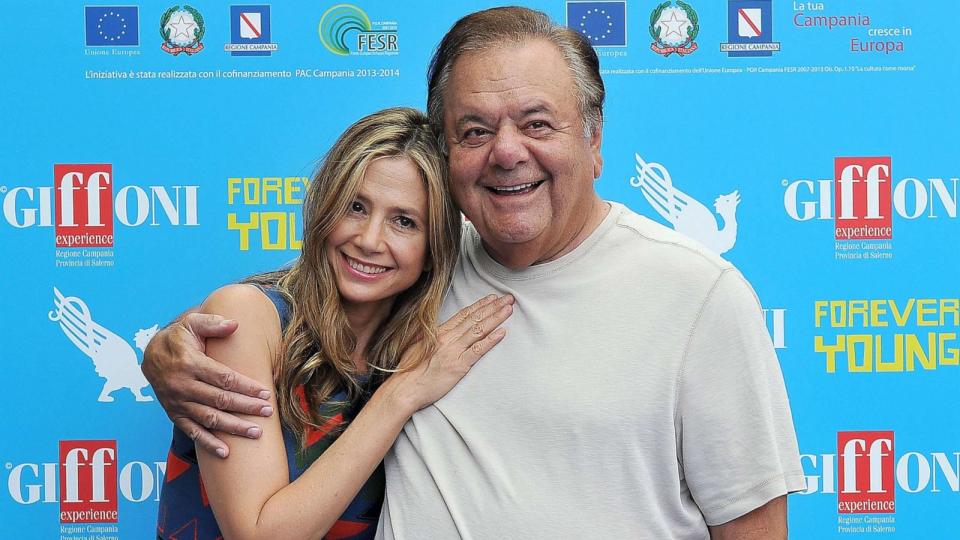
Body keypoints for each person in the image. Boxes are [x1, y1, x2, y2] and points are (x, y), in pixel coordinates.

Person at [145, 7, 804, 539]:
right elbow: (301, 295)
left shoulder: (699, 295)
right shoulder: (426, 258)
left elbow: (752, 526)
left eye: (538, 123)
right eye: (475, 130)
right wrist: (166, 350)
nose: (508, 152)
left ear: (595, 140)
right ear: (448, 152)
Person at [154, 107, 514, 539]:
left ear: (435, 246)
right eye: (355, 207)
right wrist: (403, 393)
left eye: (404, 221)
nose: (368, 239)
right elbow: (259, 534)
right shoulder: (249, 318)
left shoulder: (422, 339)